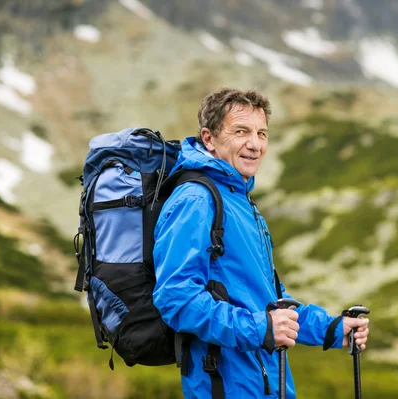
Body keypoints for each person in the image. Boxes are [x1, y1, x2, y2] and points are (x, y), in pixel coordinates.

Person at [153, 88, 370, 399]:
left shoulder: (240, 201)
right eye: (241, 131)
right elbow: (176, 299)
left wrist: (333, 329)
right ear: (209, 138)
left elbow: (270, 300)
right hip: (223, 384)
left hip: (266, 380)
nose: (254, 144)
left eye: (261, 133)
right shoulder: (196, 200)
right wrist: (260, 328)